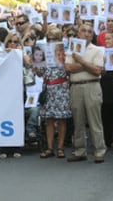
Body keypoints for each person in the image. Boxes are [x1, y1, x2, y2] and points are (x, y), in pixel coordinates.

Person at [65, 23, 106, 163]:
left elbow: (97, 70)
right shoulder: (71, 50)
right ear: (79, 33)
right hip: (76, 86)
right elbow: (69, 68)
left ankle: (99, 151)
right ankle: (79, 150)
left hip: (92, 86)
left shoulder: (97, 50)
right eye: (84, 31)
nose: (87, 33)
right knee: (78, 121)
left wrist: (81, 61)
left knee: (95, 120)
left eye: (89, 31)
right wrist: (88, 65)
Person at [35, 28, 71, 159]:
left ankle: (60, 148)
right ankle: (50, 148)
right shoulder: (44, 51)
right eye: (50, 39)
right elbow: (40, 73)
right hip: (47, 86)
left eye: (54, 38)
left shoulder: (66, 51)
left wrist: (63, 60)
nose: (52, 41)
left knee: (61, 118)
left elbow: (69, 70)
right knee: (49, 119)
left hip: (61, 86)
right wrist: (36, 67)